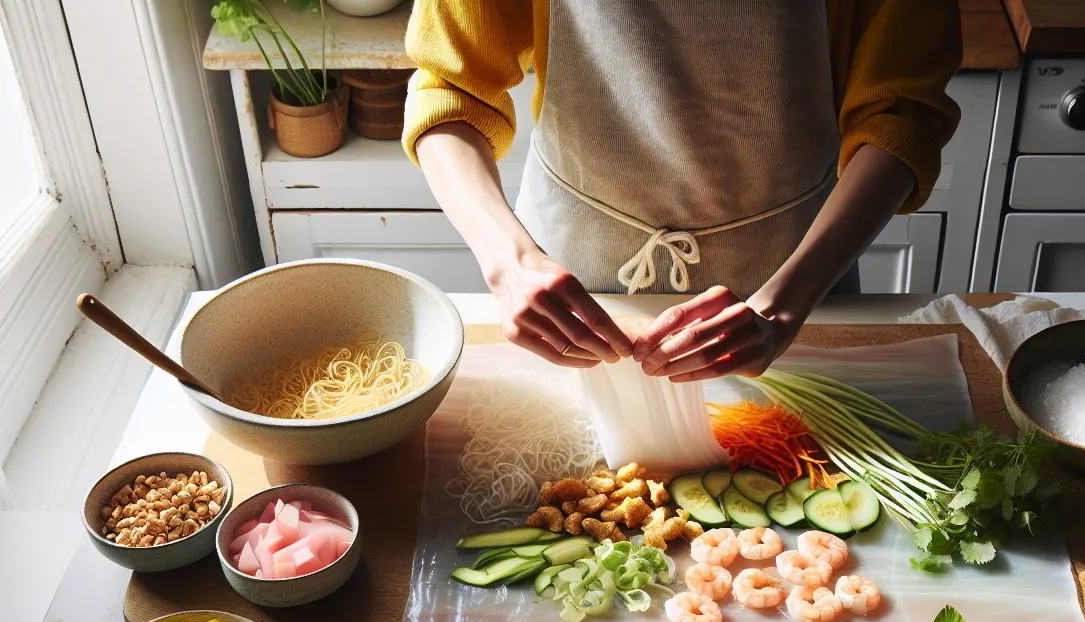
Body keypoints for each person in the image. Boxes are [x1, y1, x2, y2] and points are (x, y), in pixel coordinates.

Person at [403, 0, 961, 382]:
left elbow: (900, 117)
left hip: (797, 273)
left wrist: (784, 307)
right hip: (572, 277)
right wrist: (510, 262)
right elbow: (451, 90)